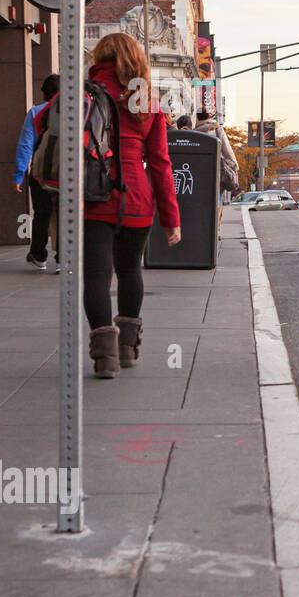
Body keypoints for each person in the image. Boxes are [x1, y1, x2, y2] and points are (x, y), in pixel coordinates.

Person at [80, 32, 181, 379]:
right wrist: (172, 219)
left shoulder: (85, 95)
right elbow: (160, 163)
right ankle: (127, 350)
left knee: (96, 276)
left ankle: (104, 358)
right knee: (129, 271)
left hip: (94, 197)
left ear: (100, 58)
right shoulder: (146, 99)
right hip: (137, 199)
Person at [15, 74, 61, 270]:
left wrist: (18, 174)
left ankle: (39, 255)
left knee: (42, 213)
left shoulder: (35, 113)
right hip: (65, 170)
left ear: (44, 93)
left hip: (40, 171)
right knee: (64, 213)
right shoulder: (72, 112)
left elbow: (25, 145)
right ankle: (63, 259)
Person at [194, 108, 237, 239]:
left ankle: (202, 228)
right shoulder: (217, 129)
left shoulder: (194, 132)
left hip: (200, 173)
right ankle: (215, 231)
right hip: (216, 172)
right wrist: (233, 165)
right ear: (209, 116)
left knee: (202, 202)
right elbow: (227, 150)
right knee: (217, 202)